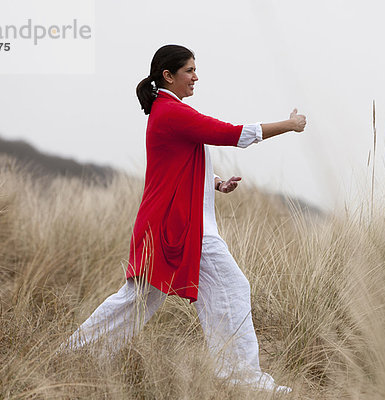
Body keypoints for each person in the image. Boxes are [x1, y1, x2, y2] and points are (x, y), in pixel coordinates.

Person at [63, 44, 306, 394]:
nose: (196, 77)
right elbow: (230, 133)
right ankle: (241, 378)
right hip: (174, 228)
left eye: (195, 69)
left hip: (176, 225)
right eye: (189, 70)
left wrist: (215, 183)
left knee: (140, 298)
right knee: (221, 288)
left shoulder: (168, 111)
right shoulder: (170, 112)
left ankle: (77, 354)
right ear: (168, 76)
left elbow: (180, 163)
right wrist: (290, 124)